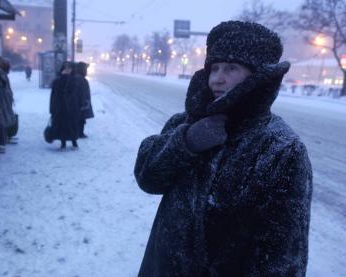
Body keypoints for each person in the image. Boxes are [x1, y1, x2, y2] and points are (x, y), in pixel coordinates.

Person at [134, 21, 313, 276]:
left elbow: (282, 258)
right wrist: (186, 143)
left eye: (231, 68)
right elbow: (147, 178)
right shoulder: (185, 124)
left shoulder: (282, 149)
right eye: (214, 68)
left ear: (258, 75)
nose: (218, 78)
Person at [49, 62, 83, 149]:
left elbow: (78, 94)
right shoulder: (57, 81)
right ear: (62, 69)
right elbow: (53, 96)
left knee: (72, 125)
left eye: (69, 68)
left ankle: (74, 142)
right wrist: (52, 109)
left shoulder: (75, 80)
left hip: (72, 108)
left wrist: (80, 106)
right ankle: (63, 143)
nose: (67, 70)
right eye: (65, 68)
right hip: (60, 108)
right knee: (62, 125)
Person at [74, 62, 94, 138]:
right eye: (85, 69)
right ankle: (80, 133)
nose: (86, 71)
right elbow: (82, 93)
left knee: (79, 119)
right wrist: (84, 103)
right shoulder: (82, 80)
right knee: (81, 119)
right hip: (81, 104)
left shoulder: (77, 78)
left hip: (78, 103)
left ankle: (78, 132)